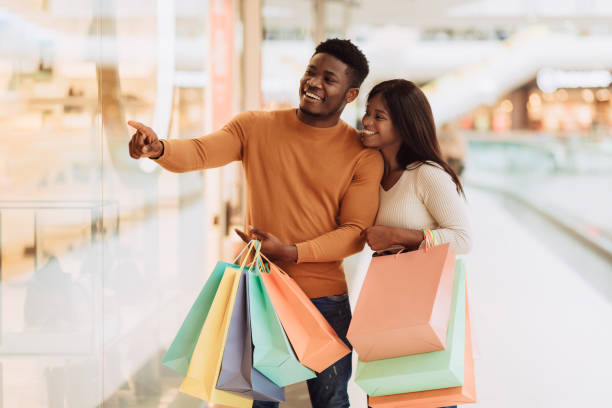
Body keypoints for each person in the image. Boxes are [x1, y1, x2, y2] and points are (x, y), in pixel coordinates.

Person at [127, 39, 383, 408]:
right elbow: (200, 151)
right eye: (311, 72)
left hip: (324, 300)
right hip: (261, 297)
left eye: (328, 79)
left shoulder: (362, 154)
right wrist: (159, 149)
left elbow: (354, 233)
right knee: (256, 403)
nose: (313, 83)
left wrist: (292, 252)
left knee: (331, 403)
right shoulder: (255, 126)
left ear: (350, 93)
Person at [360, 79, 472, 408]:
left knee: (424, 389)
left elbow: (463, 237)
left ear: (405, 123)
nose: (367, 121)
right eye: (367, 113)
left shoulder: (427, 174)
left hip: (424, 304)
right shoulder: (374, 171)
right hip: (385, 302)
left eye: (378, 116)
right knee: (384, 391)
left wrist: (397, 235)